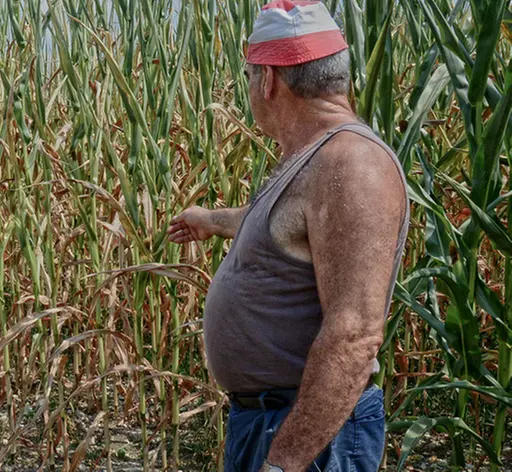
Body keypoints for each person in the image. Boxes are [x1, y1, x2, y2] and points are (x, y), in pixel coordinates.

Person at [166, 1, 410, 471]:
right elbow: (288, 231)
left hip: (311, 437)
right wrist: (212, 220)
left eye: (250, 76)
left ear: (270, 79)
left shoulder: (352, 165)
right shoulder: (314, 160)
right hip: (273, 423)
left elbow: (355, 334)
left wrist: (286, 461)